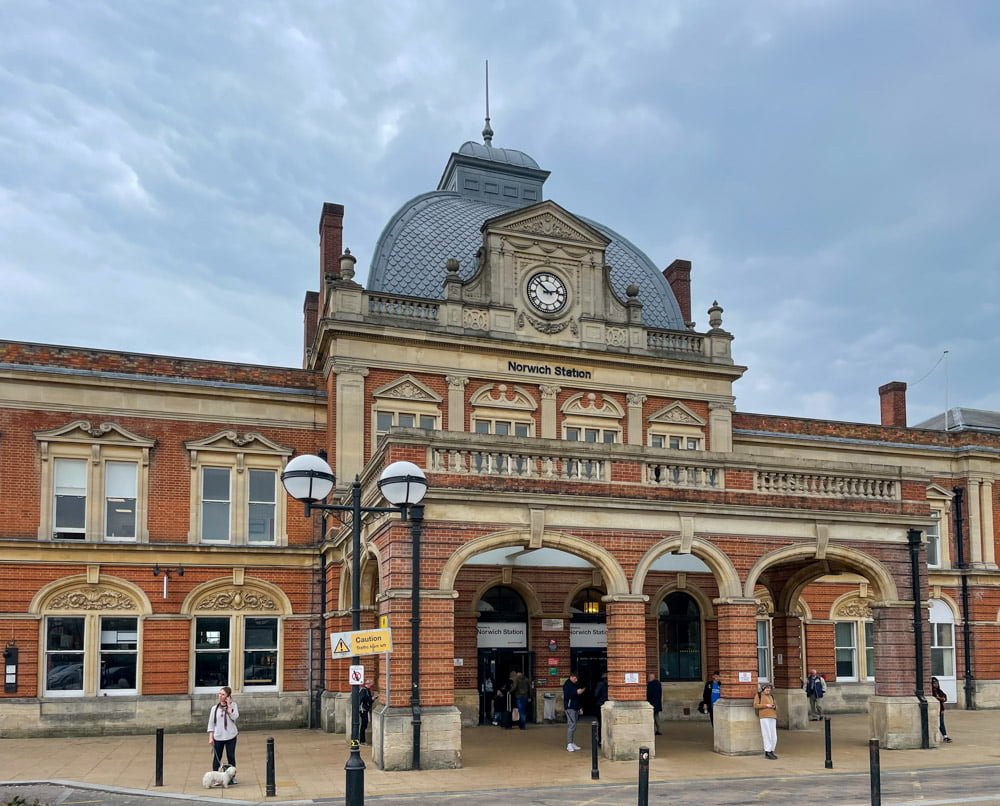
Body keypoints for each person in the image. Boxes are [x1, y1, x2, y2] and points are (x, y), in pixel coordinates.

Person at [207, 686, 239, 779]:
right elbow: (211, 723)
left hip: (230, 736)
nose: (220, 696)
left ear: (228, 696)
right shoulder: (214, 708)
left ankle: (232, 777)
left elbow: (234, 717)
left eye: (223, 694)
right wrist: (211, 737)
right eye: (219, 694)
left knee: (231, 756)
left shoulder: (233, 706)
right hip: (218, 736)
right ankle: (215, 777)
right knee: (217, 758)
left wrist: (229, 706)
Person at [753, 683, 778, 760]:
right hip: (764, 716)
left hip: (773, 716)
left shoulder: (771, 696)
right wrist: (766, 705)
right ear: (763, 689)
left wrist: (774, 706)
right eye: (767, 688)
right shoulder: (759, 695)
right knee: (767, 734)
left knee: (774, 735)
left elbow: (776, 706)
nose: (768, 690)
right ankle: (767, 751)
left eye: (769, 688)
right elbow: (755, 705)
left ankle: (772, 750)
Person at [563, 671, 586, 751]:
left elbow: (577, 698)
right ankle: (569, 744)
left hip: (575, 707)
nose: (576, 680)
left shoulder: (574, 684)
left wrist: (580, 707)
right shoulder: (567, 685)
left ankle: (572, 742)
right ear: (571, 677)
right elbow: (567, 695)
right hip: (570, 707)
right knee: (571, 725)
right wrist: (576, 692)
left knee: (574, 725)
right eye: (575, 678)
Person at [931, 676, 951, 742]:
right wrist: (940, 698)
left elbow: (944, 697)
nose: (936, 685)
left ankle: (945, 736)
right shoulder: (931, 691)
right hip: (934, 710)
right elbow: (935, 698)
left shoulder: (939, 691)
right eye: (934, 683)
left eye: (937, 683)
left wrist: (940, 698)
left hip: (940, 710)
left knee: (941, 723)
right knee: (935, 723)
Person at [594, 672, 609, 746]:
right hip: (606, 704)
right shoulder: (608, 685)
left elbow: (596, 694)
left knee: (600, 724)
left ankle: (600, 740)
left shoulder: (600, 684)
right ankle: (604, 740)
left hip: (600, 705)